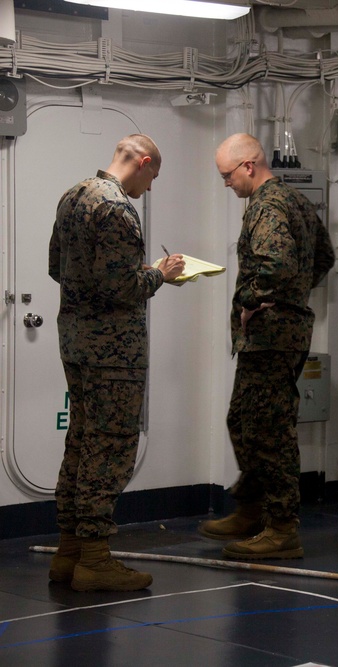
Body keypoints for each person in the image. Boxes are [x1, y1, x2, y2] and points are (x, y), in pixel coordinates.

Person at [47, 134, 186, 592]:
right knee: (109, 451)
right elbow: (122, 286)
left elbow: (57, 267)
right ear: (143, 163)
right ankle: (95, 559)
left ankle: (68, 553)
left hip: (74, 342)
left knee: (81, 442)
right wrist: (160, 274)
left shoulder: (73, 197)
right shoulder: (119, 210)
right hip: (114, 354)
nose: (149, 187)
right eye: (153, 177)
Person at [198, 133, 334, 560]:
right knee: (243, 420)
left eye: (227, 175)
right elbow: (324, 257)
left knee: (268, 430)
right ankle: (252, 507)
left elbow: (276, 264)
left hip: (271, 336)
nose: (226, 184)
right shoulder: (295, 201)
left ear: (249, 166)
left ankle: (281, 527)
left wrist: (252, 302)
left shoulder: (268, 206)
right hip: (280, 333)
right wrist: (295, 293)